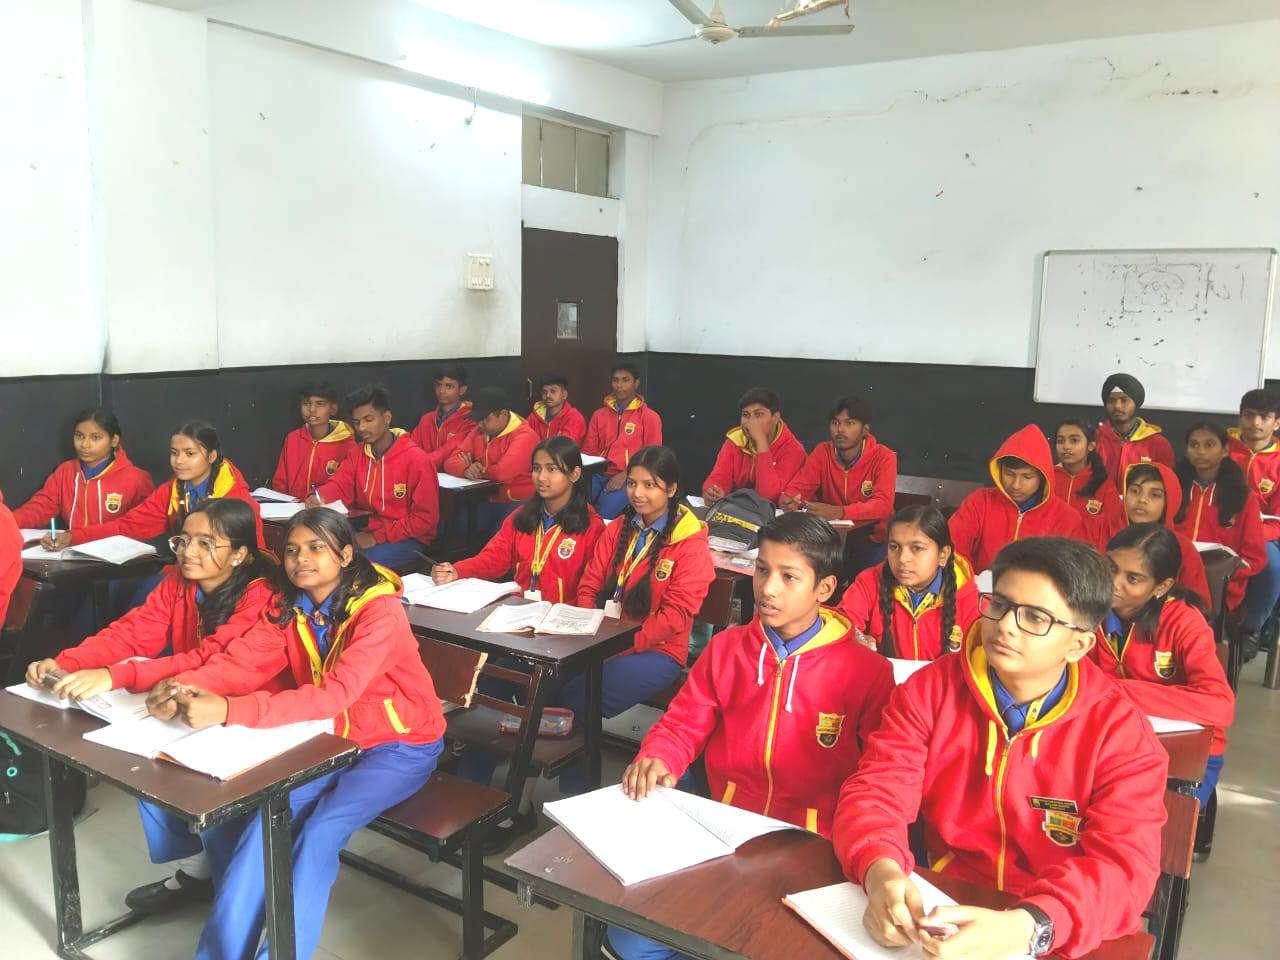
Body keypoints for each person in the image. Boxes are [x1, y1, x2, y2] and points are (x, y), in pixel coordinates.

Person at [834, 538, 1168, 960]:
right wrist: (879, 869)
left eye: (1035, 617)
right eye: (1001, 604)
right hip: (946, 899)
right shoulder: (930, 690)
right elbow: (878, 790)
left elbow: (1124, 867)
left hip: (1060, 920)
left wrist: (1030, 925)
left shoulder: (1119, 732)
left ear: (1079, 645)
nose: (1006, 625)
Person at [150, 508, 446, 960]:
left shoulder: (380, 612)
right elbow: (244, 661)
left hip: (400, 745)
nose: (300, 559)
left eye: (315, 548)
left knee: (321, 832)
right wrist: (184, 686)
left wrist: (228, 710)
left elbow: (334, 695)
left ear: (345, 555)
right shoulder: (292, 607)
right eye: (291, 550)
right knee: (265, 825)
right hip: (333, 739)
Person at [607, 513, 895, 960]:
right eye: (762, 570)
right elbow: (683, 721)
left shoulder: (867, 672)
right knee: (630, 942)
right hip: (727, 830)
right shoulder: (727, 648)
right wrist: (660, 756)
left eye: (788, 576)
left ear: (824, 588)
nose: (768, 588)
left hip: (813, 847)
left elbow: (881, 776)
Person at [25, 500, 277, 915]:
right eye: (184, 540)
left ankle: (233, 888)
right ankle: (197, 870)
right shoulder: (179, 580)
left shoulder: (261, 595)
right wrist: (68, 662)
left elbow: (214, 659)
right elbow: (133, 632)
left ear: (239, 554)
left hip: (248, 705)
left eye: (206, 543)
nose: (188, 552)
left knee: (207, 780)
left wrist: (115, 675)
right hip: (189, 693)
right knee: (145, 758)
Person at [565, 446, 715, 792]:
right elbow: (589, 584)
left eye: (650, 485)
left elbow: (675, 617)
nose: (637, 493)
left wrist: (616, 645)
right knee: (554, 682)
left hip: (658, 652)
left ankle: (577, 791)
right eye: (632, 483)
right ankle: (569, 789)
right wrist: (586, 628)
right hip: (602, 639)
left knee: (577, 695)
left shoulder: (689, 543)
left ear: (671, 489)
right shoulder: (620, 527)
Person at [1093, 523, 1234, 818]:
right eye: (1109, 567)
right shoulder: (1087, 612)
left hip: (1186, 752)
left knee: (1153, 823)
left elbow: (1220, 705)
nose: (1113, 583)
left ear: (1161, 587)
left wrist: (1116, 690)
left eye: (1132, 578)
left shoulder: (1183, 622)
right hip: (1112, 740)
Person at [432, 437, 604, 603]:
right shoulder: (521, 516)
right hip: (520, 609)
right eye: (536, 468)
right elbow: (493, 558)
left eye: (551, 469)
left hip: (562, 615)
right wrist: (456, 571)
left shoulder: (591, 525)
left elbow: (590, 587)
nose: (541, 477)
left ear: (574, 474)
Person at [48, 420, 263, 551]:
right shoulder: (173, 490)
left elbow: (255, 557)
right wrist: (73, 536)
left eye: (190, 454)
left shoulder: (238, 501)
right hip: (183, 572)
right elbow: (129, 526)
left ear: (212, 456)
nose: (179, 461)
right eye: (174, 453)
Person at [310, 384, 439, 572]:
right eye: (356, 422)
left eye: (368, 420)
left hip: (407, 539)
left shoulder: (416, 459)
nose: (362, 428)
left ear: (387, 418)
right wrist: (319, 497)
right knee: (322, 550)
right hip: (368, 530)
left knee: (353, 565)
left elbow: (424, 520)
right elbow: (339, 485)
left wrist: (376, 537)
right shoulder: (357, 453)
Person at [838, 505, 979, 660]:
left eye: (917, 548)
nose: (902, 558)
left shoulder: (969, 598)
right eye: (894, 547)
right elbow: (840, 622)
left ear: (943, 555)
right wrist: (855, 636)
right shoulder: (870, 582)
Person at [780, 395, 897, 571]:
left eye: (849, 423)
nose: (840, 429)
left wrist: (840, 512)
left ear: (865, 430)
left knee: (870, 580)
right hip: (831, 539)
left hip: (873, 542)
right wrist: (789, 501)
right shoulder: (823, 452)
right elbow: (796, 489)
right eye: (835, 423)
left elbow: (883, 505)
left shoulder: (884, 457)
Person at [947, 424, 1085, 572]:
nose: (1016, 485)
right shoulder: (980, 502)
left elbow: (1067, 572)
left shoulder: (1066, 518)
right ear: (999, 470)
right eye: (1009, 474)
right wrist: (969, 582)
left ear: (1043, 477)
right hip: (977, 585)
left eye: (1027, 476)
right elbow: (952, 549)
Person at [1173, 422, 1266, 616]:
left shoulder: (1243, 497)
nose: (1200, 451)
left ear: (1224, 450)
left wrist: (1227, 575)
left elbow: (1254, 557)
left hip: (1220, 586)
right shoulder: (1173, 488)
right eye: (1194, 445)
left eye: (1209, 445)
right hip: (1174, 576)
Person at [13, 407, 153, 533]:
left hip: (118, 553)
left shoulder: (136, 479)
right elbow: (41, 507)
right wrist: (10, 521)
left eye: (95, 437)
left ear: (114, 440)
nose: (85, 445)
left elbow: (144, 525)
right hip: (72, 549)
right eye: (79, 436)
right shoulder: (65, 472)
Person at [441, 386, 540, 539]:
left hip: (516, 501)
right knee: (456, 526)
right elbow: (450, 462)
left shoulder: (525, 435)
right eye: (478, 420)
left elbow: (502, 473)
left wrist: (477, 470)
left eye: (485, 419)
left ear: (503, 415)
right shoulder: (480, 430)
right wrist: (466, 470)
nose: (480, 424)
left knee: (497, 536)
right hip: (484, 498)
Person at [1112, 463, 1211, 608]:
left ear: (1169, 502)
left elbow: (1196, 604)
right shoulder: (1106, 532)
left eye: (1155, 495)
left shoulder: (1182, 547)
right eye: (1134, 491)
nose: (1142, 500)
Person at [1228, 389, 1280, 653]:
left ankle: (1252, 629)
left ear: (1276, 422)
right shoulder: (1221, 448)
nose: (1256, 423)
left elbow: (1278, 520)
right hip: (1220, 528)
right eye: (1249, 416)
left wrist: (1250, 533)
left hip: (1264, 534)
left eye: (1264, 417)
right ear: (1240, 418)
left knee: (1271, 565)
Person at [582, 362, 663, 520]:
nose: (619, 385)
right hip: (597, 474)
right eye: (615, 380)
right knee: (576, 509)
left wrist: (627, 475)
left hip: (630, 477)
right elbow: (588, 451)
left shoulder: (649, 417)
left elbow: (653, 457)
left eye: (625, 380)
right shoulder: (599, 415)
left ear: (636, 383)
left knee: (601, 516)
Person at [701, 387, 806, 506]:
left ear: (775, 418)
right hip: (739, 510)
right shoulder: (735, 441)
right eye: (745, 415)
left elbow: (768, 498)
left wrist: (760, 441)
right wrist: (713, 491)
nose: (750, 422)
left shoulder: (793, 450)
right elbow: (718, 478)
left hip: (775, 515)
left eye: (758, 414)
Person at [268, 383, 355, 500]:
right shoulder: (293, 438)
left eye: (320, 404)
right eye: (306, 403)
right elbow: (280, 483)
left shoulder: (347, 444)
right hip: (293, 507)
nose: (312, 409)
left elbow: (347, 487)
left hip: (327, 507)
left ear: (333, 409)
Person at [1052, 418, 1124, 552]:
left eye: (1074, 440)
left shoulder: (1104, 485)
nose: (1066, 446)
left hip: (1086, 556)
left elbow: (1113, 528)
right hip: (1047, 553)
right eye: (1060, 441)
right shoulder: (1047, 478)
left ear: (1090, 446)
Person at [1095, 372, 1175, 487]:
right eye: (1111, 401)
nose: (1117, 406)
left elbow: (1167, 487)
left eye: (1124, 400)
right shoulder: (1094, 438)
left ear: (1136, 403)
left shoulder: (1159, 444)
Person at [409, 363, 475, 467]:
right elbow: (411, 448)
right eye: (438, 385)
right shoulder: (426, 419)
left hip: (453, 475)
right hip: (424, 472)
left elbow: (446, 451)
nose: (441, 391)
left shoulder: (470, 420)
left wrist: (420, 463)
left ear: (462, 390)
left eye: (449, 386)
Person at [528, 374, 587, 445]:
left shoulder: (575, 418)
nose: (548, 395)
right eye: (545, 392)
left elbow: (563, 448)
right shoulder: (535, 416)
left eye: (553, 391)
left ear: (564, 395)